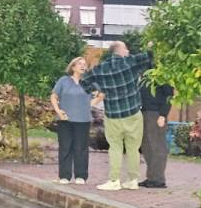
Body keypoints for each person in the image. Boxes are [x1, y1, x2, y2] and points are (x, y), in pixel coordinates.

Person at [80, 41, 153, 191]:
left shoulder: (100, 69)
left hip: (113, 115)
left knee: (115, 148)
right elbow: (149, 56)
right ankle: (132, 180)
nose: (128, 51)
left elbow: (83, 82)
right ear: (119, 50)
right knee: (133, 148)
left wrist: (100, 89)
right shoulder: (130, 62)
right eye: (126, 48)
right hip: (133, 113)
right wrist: (150, 46)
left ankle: (114, 180)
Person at [49, 56, 96, 184]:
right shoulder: (63, 81)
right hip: (65, 120)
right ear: (73, 67)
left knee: (81, 148)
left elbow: (102, 93)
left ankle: (81, 176)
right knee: (65, 147)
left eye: (84, 64)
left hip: (83, 120)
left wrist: (91, 103)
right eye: (79, 64)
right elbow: (53, 96)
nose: (82, 66)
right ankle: (64, 176)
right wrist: (58, 110)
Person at [139, 79, 175, 188]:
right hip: (144, 113)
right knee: (147, 147)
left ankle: (158, 179)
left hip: (156, 114)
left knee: (157, 146)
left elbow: (169, 96)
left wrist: (163, 115)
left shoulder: (162, 76)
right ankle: (151, 177)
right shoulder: (144, 77)